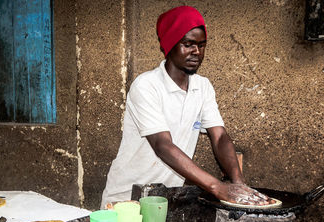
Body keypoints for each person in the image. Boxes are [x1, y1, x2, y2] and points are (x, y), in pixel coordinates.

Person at [100, 6, 270, 209]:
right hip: (127, 199)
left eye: (201, 45)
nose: (196, 52)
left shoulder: (203, 87)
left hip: (165, 200)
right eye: (188, 44)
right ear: (170, 45)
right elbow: (162, 146)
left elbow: (220, 137)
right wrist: (217, 187)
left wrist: (238, 183)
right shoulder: (146, 85)